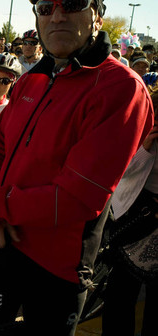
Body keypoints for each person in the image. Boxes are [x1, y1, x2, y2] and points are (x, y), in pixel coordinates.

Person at [0, 0, 153, 335]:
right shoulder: (33, 77)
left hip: (54, 270)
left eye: (73, 3)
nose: (58, 15)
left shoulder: (121, 88)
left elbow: (77, 198)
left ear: (98, 15)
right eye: (46, 6)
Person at [101, 87, 158, 336]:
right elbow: (117, 170)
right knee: (120, 292)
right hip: (137, 214)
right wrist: (145, 148)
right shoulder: (148, 110)